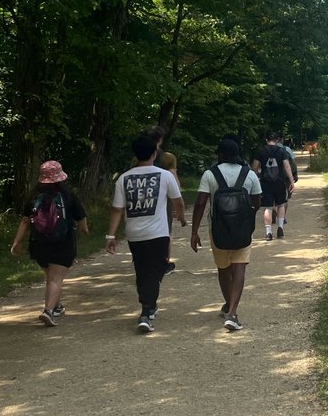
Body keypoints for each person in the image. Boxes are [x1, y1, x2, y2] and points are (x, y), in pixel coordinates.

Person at [106, 134, 186, 333]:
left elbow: (117, 209)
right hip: (158, 233)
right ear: (153, 154)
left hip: (135, 233)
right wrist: (182, 217)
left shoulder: (124, 178)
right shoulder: (164, 175)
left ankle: (149, 304)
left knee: (143, 270)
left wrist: (111, 235)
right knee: (156, 269)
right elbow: (177, 200)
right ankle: (146, 310)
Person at [191, 138, 262, 332]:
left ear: (220, 155)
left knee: (223, 268)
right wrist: (248, 217)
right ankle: (232, 312)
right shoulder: (249, 175)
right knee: (239, 268)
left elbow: (200, 203)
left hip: (218, 230)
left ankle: (228, 305)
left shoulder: (209, 174)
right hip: (242, 230)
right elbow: (257, 201)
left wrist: (194, 232)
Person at [10, 160, 89, 326]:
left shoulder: (33, 197)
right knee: (55, 279)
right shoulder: (68, 195)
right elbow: (81, 218)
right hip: (63, 242)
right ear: (60, 177)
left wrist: (17, 242)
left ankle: (57, 306)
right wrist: (84, 230)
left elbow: (25, 221)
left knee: (51, 277)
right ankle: (48, 311)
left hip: (39, 243)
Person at [129, 125, 180, 275]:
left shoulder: (136, 158)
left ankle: (142, 260)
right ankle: (163, 263)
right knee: (164, 230)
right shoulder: (168, 157)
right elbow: (174, 180)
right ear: (160, 140)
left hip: (141, 197)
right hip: (162, 198)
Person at [252, 132, 295, 240]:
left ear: (266, 140)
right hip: (279, 181)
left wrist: (256, 177)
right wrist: (292, 181)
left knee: (268, 208)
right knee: (281, 205)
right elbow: (287, 166)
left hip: (265, 182)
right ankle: (280, 228)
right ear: (277, 140)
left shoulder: (261, 151)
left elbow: (255, 167)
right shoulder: (282, 151)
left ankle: (268, 233)